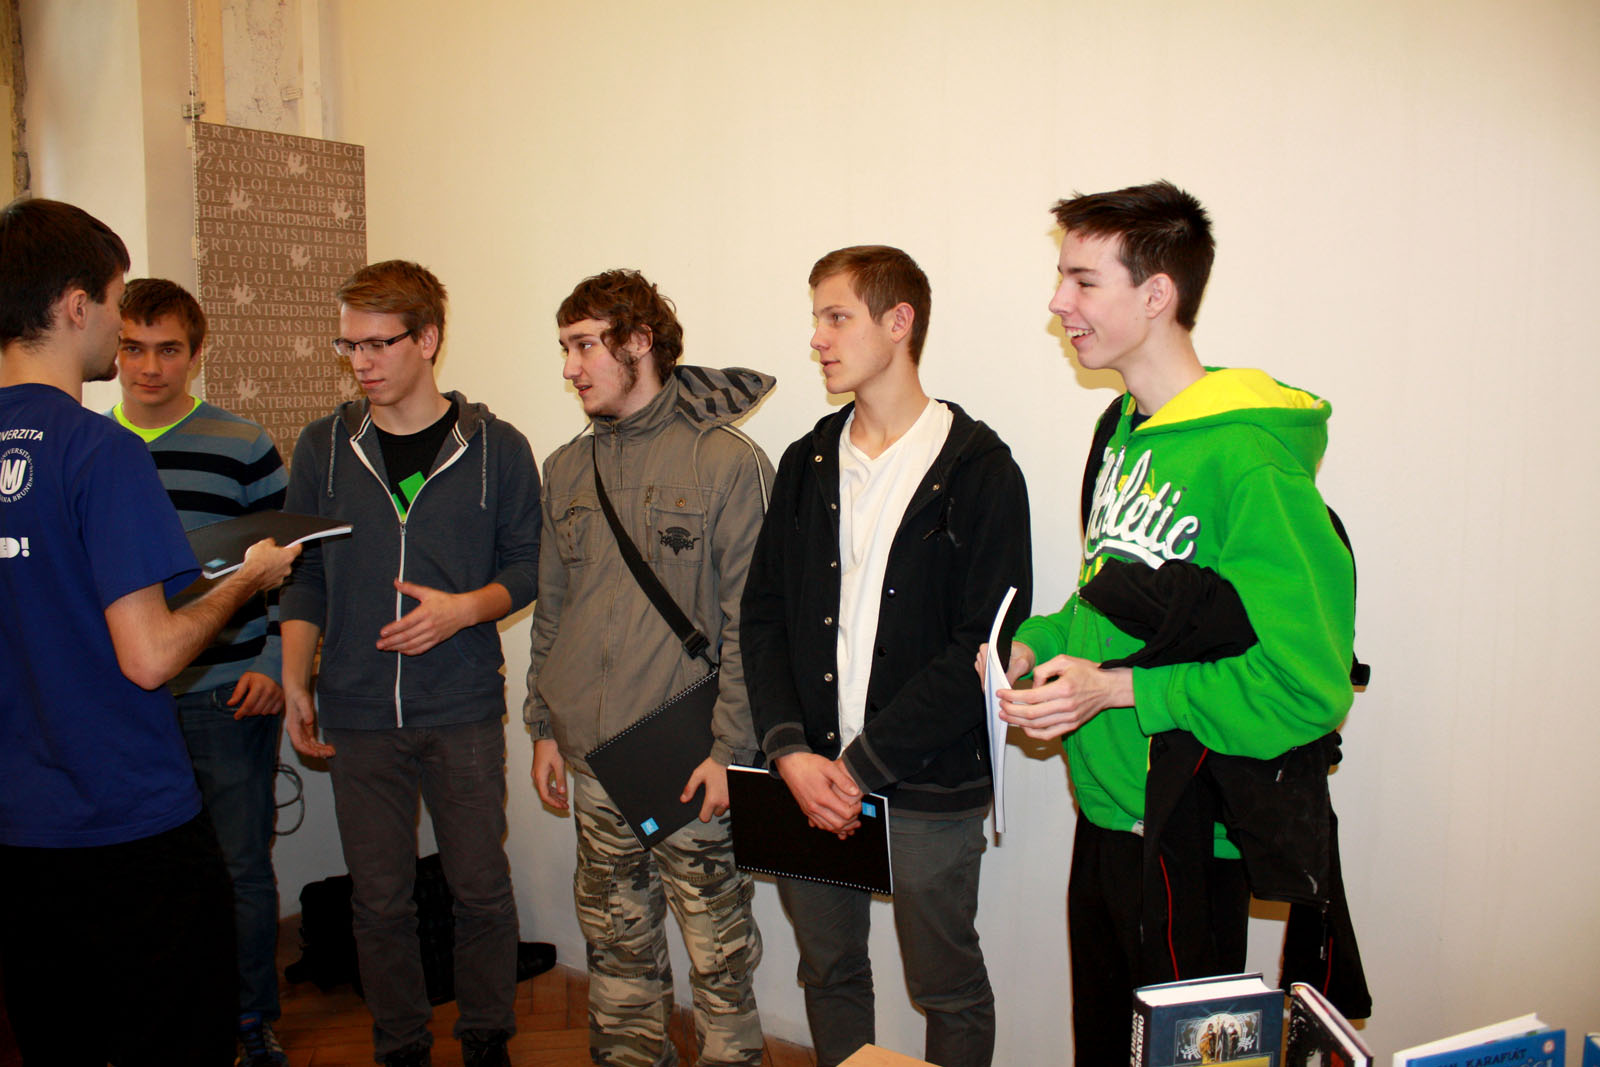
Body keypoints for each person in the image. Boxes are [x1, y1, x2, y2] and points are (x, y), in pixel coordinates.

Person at [989, 181, 1356, 1063]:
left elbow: (1307, 686)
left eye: (1083, 281)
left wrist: (1118, 690)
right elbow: (1109, 601)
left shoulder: (1249, 458)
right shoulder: (1122, 429)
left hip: (1190, 841)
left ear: (1157, 294)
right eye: (1061, 277)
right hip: (1106, 815)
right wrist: (1038, 640)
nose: (1058, 302)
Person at [0, 197, 299, 1065]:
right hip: (124, 818)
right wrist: (247, 582)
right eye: (114, 301)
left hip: (18, 826)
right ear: (75, 304)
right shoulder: (100, 451)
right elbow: (149, 655)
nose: (120, 329)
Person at [740, 246, 1032, 1067]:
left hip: (929, 784)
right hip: (808, 778)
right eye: (817, 319)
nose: (818, 338)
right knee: (829, 972)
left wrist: (861, 767)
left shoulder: (980, 469)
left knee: (947, 987)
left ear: (899, 322)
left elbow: (984, 643)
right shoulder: (806, 461)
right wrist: (789, 751)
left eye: (837, 317)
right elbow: (763, 615)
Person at [279, 260, 541, 1067]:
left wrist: (464, 609)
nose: (359, 362)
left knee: (480, 888)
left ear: (427, 339)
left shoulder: (497, 448)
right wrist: (295, 678)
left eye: (377, 343)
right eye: (348, 344)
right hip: (357, 711)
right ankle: (399, 1044)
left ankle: (487, 1034)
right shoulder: (324, 446)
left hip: (461, 707)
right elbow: (305, 573)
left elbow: (529, 566)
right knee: (380, 898)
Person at [525, 269, 770, 1067]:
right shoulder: (566, 468)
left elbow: (754, 624)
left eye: (585, 346)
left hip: (689, 758)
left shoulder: (725, 462)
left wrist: (730, 749)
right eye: (565, 348)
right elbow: (553, 608)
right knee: (616, 946)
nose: (570, 367)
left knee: (719, 957)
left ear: (638, 342)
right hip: (594, 759)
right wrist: (543, 726)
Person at [113, 276, 291, 1065]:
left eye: (168, 349)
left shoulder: (242, 442)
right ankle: (158, 1018)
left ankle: (249, 1016)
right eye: (133, 347)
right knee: (137, 872)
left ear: (195, 352)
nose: (149, 366)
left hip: (228, 693)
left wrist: (273, 660)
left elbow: (293, 563)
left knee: (240, 868)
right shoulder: (94, 448)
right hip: (125, 702)